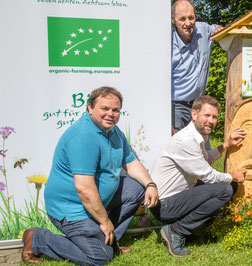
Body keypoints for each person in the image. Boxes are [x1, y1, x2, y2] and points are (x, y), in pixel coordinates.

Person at [21, 87, 159, 265]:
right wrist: (104, 220)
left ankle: (109, 241)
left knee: (136, 189)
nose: (111, 114)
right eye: (105, 108)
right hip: (72, 208)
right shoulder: (83, 137)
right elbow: (84, 188)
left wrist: (150, 184)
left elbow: (130, 163)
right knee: (99, 258)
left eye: (115, 110)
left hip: (96, 202)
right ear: (90, 108)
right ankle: (38, 238)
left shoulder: (114, 132)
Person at [150, 95, 247, 257]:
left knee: (228, 186)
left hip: (176, 197)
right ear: (194, 115)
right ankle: (176, 230)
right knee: (224, 189)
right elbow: (208, 176)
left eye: (214, 117)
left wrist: (226, 145)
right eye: (207, 116)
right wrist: (233, 175)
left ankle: (194, 227)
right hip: (165, 205)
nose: (211, 120)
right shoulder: (186, 140)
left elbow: (205, 159)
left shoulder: (197, 136)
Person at [171, 0, 223, 133]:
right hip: (176, 109)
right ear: (173, 20)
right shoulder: (167, 46)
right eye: (182, 19)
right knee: (179, 150)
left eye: (191, 17)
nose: (187, 23)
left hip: (199, 106)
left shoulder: (203, 30)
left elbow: (219, 30)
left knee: (202, 149)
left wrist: (221, 31)